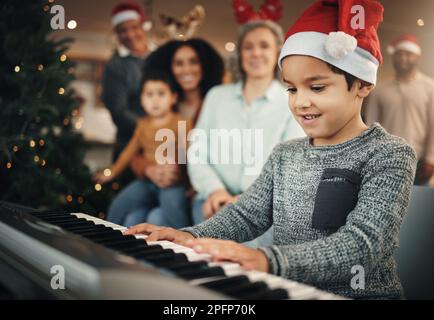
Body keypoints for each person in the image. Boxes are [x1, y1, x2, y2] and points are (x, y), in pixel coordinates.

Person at [124, 0, 418, 300]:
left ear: (362, 85)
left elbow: (362, 245)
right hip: (290, 291)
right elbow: (247, 215)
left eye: (316, 88)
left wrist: (269, 260)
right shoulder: (285, 154)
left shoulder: (389, 154)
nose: (300, 102)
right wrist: (191, 235)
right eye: (291, 89)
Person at [187, 20, 304, 247]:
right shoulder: (216, 96)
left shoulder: (292, 101)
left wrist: (244, 201)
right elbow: (196, 153)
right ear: (240, 54)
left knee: (241, 257)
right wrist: (216, 191)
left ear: (278, 53)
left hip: (262, 207)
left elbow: (288, 166)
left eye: (264, 46)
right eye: (248, 47)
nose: (256, 53)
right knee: (205, 253)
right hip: (212, 200)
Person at [122, 39, 225, 225]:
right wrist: (149, 169)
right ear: (170, 67)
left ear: (204, 65)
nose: (186, 69)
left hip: (200, 190)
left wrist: (194, 179)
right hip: (160, 187)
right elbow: (135, 152)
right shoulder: (159, 100)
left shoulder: (217, 102)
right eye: (179, 63)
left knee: (156, 218)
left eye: (193, 61)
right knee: (133, 218)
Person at [94, 70, 192, 228]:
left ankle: (185, 243)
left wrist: (175, 167)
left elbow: (187, 151)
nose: (155, 100)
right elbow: (129, 152)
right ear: (142, 99)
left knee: (175, 215)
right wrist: (112, 172)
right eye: (149, 94)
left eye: (161, 94)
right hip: (147, 181)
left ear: (173, 98)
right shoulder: (142, 125)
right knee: (118, 206)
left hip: (172, 182)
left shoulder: (182, 122)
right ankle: (108, 240)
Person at [364, 34, 434, 185]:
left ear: (417, 56)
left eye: (408, 54)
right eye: (399, 54)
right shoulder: (379, 90)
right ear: (393, 57)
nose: (403, 58)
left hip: (419, 161)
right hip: (385, 159)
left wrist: (431, 158)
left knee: (417, 206)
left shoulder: (430, 88)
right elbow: (371, 126)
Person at [101, 1, 151, 161]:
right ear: (116, 34)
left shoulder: (160, 56)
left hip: (166, 146)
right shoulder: (115, 66)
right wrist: (153, 130)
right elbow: (118, 111)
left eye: (134, 27)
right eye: (122, 30)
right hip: (131, 148)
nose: (130, 35)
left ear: (143, 26)